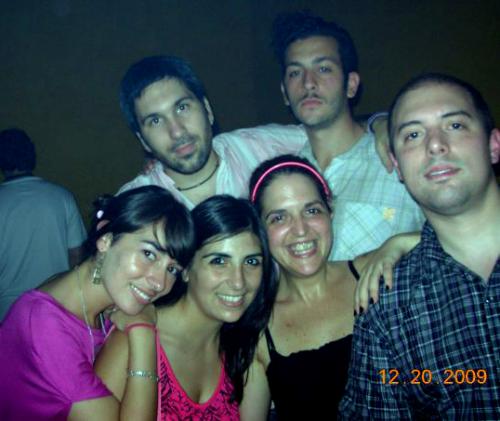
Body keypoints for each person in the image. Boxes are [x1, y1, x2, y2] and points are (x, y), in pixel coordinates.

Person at [339, 73, 500, 419]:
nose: (435, 145)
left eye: (455, 125)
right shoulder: (386, 309)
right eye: (413, 134)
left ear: (493, 144)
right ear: (397, 166)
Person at [238, 155, 419, 420]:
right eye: (279, 218)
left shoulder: (374, 271)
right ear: (260, 231)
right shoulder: (258, 328)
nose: (300, 230)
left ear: (330, 212)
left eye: (311, 211)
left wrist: (399, 243)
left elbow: (462, 240)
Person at [0, 186, 195, 420]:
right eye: (149, 254)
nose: (160, 282)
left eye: (172, 269)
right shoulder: (45, 327)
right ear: (106, 239)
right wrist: (143, 331)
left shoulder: (103, 300)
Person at [96, 195, 277, 420]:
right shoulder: (131, 339)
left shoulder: (242, 350)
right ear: (186, 269)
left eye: (251, 262)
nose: (238, 282)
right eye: (219, 261)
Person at [270, 11, 424, 261]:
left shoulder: (398, 160)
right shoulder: (284, 177)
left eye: (323, 69)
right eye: (295, 73)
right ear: (285, 93)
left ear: (351, 85)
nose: (308, 83)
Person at [0, 128, 87, 320]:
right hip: (54, 305)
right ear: (31, 155)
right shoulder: (61, 197)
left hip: (6, 311)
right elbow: (77, 257)